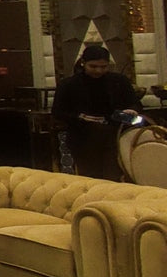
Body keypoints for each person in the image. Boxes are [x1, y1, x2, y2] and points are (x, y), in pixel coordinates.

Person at [52, 44, 142, 181]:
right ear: (83, 63)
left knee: (114, 176)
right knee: (91, 178)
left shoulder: (119, 81)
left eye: (103, 67)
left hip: (116, 135)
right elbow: (58, 112)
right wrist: (80, 117)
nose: (98, 71)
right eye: (93, 66)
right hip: (83, 137)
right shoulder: (69, 84)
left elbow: (136, 104)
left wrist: (132, 110)